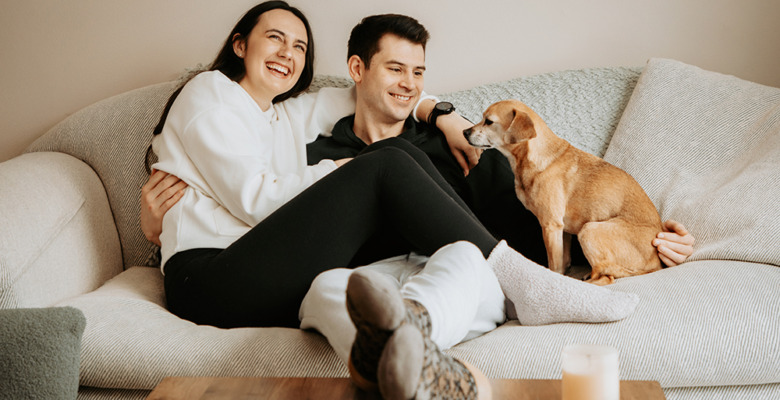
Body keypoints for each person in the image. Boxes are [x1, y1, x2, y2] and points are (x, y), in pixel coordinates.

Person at [144, 5, 692, 398]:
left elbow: (540, 211)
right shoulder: (213, 94)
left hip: (291, 266)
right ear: (239, 43)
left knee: (400, 174)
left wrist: (441, 111)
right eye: (275, 39)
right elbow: (255, 197)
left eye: (300, 46)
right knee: (379, 174)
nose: (289, 53)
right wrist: (159, 223)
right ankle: (524, 294)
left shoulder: (284, 113)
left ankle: (422, 355)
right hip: (213, 276)